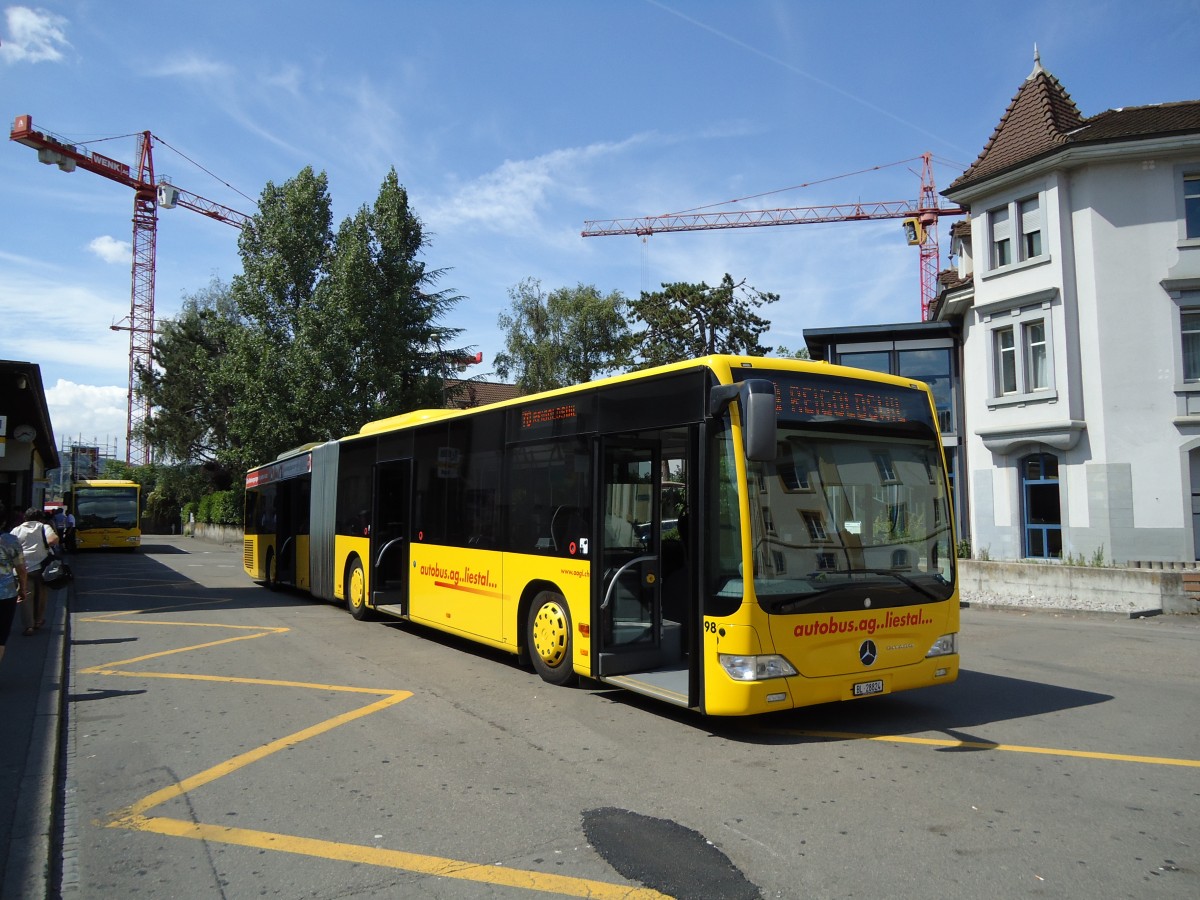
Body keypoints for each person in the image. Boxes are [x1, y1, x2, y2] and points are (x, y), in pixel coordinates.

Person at [10, 508, 58, 635]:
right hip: (41, 567)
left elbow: (10, 546)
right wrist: (45, 546)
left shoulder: (17, 529)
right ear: (40, 518)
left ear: (25, 518)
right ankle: (38, 620)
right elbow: (53, 540)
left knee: (25, 596)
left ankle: (29, 626)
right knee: (41, 595)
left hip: (22, 567)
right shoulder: (43, 527)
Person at [0, 504, 30, 664]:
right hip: (5, 594)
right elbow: (21, 568)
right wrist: (23, 589)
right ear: (4, 522)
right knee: (1, 637)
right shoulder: (10, 540)